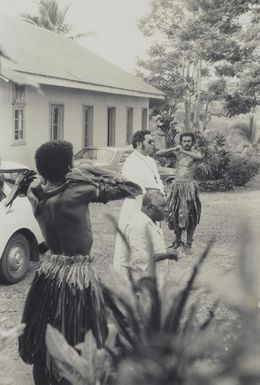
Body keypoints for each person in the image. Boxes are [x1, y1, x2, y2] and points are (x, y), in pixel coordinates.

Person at [12, 140, 142, 385]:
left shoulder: (34, 193)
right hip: (77, 277)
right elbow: (131, 188)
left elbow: (41, 183)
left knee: (43, 339)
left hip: (49, 272)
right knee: (80, 339)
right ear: (68, 166)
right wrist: (86, 170)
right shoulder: (77, 192)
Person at [113, 130, 164, 273]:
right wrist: (154, 200)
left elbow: (158, 182)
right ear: (139, 144)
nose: (153, 145)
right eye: (150, 142)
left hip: (154, 206)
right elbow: (139, 190)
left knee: (152, 242)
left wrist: (161, 199)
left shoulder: (150, 161)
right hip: (138, 207)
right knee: (134, 244)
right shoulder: (131, 162)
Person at [156, 132, 203, 250]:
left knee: (191, 215)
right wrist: (173, 149)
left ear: (193, 142)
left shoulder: (194, 154)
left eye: (189, 141)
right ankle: (177, 241)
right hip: (176, 187)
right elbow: (158, 154)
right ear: (181, 142)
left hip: (189, 188)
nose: (186, 143)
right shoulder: (176, 153)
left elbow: (200, 157)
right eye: (184, 141)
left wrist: (182, 150)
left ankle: (188, 243)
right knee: (174, 214)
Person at [122, 190, 177, 282]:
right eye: (162, 206)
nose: (167, 209)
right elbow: (139, 259)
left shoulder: (153, 222)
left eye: (166, 205)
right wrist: (166, 255)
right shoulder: (138, 225)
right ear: (149, 207)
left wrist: (166, 253)